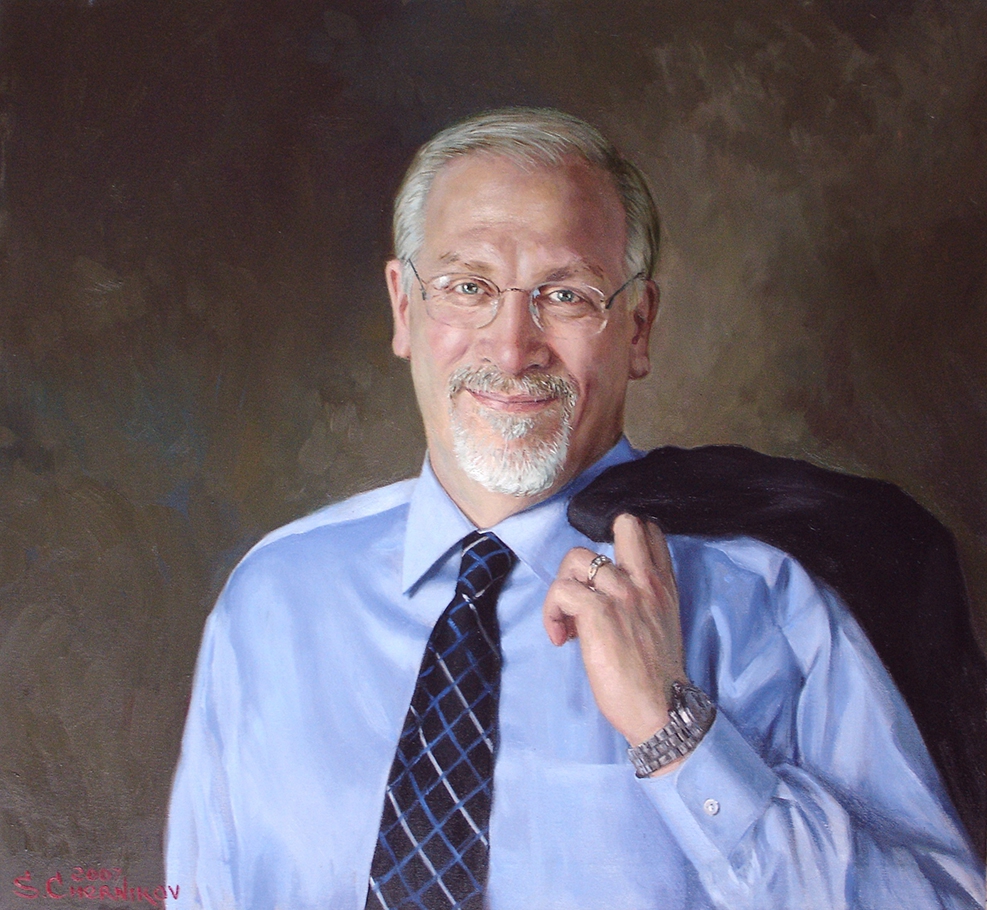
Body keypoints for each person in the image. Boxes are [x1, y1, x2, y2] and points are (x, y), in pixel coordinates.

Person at [166, 108, 985, 909]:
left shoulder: (769, 605)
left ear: (638, 326)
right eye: (467, 286)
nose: (512, 346)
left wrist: (679, 737)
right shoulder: (271, 599)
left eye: (565, 295)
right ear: (403, 308)